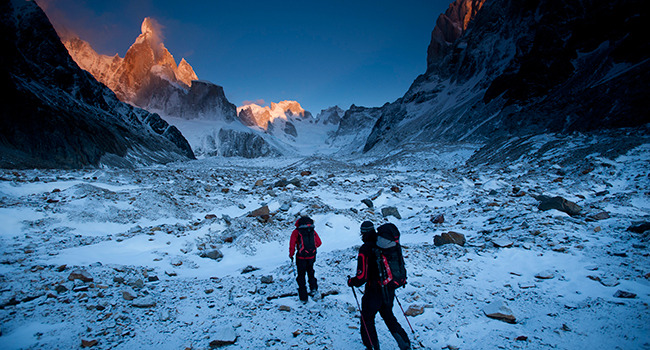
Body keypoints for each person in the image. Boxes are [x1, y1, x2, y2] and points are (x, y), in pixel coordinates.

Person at [348, 221, 410, 350]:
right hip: (389, 288)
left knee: (367, 319)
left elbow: (362, 277)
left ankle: (372, 346)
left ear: (362, 233)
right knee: (388, 316)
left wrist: (352, 282)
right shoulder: (385, 245)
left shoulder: (366, 249)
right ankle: (404, 343)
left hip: (373, 291)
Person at [289, 215, 322, 303]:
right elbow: (319, 243)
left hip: (301, 257)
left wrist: (291, 255)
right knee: (311, 272)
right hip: (311, 256)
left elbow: (292, 245)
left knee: (301, 275)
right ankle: (314, 289)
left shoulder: (296, 232)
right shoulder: (312, 231)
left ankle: (303, 297)